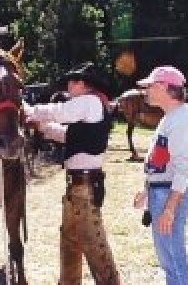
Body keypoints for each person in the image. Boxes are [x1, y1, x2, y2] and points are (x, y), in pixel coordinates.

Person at [23, 62, 120, 285]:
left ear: (82, 84)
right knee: (70, 242)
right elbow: (68, 135)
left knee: (95, 245)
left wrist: (29, 110)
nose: (68, 86)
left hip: (83, 186)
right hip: (79, 185)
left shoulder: (88, 101)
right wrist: (42, 128)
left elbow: (60, 113)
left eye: (71, 81)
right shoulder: (92, 105)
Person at [133, 66, 188, 285]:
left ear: (164, 87)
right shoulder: (172, 117)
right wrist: (148, 189)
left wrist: (170, 208)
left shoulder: (183, 121)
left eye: (150, 86)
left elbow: (184, 170)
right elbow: (163, 159)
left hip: (168, 195)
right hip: (161, 192)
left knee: (173, 257)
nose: (145, 90)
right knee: (168, 257)